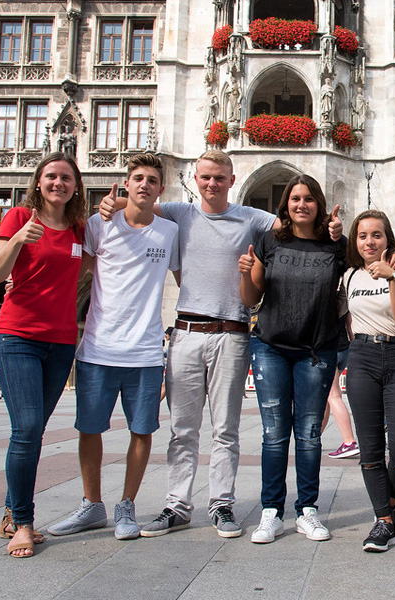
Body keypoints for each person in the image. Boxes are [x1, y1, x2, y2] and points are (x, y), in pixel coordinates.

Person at [98, 150, 342, 539]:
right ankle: (177, 505)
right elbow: (143, 202)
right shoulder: (179, 213)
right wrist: (116, 201)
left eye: (220, 178)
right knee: (182, 428)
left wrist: (332, 227)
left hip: (232, 332)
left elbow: (297, 219)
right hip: (186, 332)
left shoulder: (252, 218)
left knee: (226, 429)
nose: (212, 183)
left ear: (232, 180)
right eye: (205, 177)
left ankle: (222, 505)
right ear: (195, 179)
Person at [48, 154, 180, 541]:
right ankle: (92, 505)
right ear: (126, 183)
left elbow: (185, 278)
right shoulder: (98, 224)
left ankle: (126, 505)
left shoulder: (168, 232)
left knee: (142, 432)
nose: (144, 184)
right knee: (90, 429)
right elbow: (73, 271)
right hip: (97, 349)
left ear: (160, 188)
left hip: (144, 352)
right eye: (137, 178)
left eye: (152, 180)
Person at [0, 152, 88, 557]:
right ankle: (25, 524)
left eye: (66, 177)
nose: (58, 183)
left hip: (61, 341)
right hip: (18, 336)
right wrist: (16, 241)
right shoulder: (18, 218)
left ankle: (12, 510)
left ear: (76, 186)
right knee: (26, 429)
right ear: (38, 181)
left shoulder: (79, 230)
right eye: (51, 177)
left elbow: (88, 268)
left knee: (33, 433)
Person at [239, 174, 346, 543]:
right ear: (285, 204)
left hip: (317, 349)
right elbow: (252, 297)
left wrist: (341, 234)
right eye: (294, 199)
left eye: (308, 198)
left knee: (309, 433)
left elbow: (368, 260)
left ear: (319, 203)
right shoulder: (269, 240)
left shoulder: (336, 245)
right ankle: (271, 511)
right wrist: (245, 273)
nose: (301, 204)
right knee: (273, 434)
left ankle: (307, 510)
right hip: (270, 346)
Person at [343, 210, 395, 552]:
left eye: (377, 235)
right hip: (361, 357)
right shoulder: (348, 276)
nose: (369, 241)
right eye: (362, 236)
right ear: (355, 242)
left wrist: (392, 277)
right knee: (371, 448)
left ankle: (389, 500)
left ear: (388, 238)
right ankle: (384, 522)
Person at [322, 327, 360, 459]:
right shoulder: (344, 305)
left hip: (329, 349)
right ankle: (315, 436)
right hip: (344, 350)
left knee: (334, 396)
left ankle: (349, 441)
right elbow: (350, 326)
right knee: (327, 397)